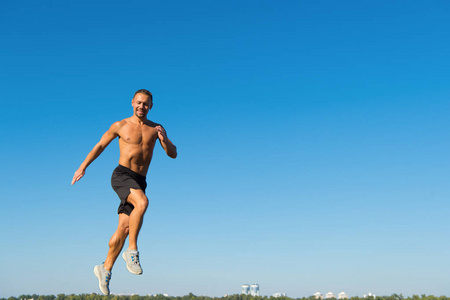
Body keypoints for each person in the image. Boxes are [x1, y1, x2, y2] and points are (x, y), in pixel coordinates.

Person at [71, 89, 177, 295]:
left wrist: (165, 140)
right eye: (138, 103)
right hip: (122, 175)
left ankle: (105, 268)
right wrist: (82, 167)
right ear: (132, 103)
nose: (141, 107)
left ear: (151, 106)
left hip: (140, 180)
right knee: (142, 203)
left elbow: (173, 154)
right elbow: (100, 145)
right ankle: (132, 251)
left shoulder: (156, 129)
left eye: (146, 104)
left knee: (125, 227)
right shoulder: (120, 125)